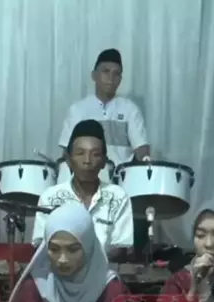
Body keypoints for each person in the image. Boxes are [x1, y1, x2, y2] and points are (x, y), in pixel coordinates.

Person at [6, 201, 127, 302]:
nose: (62, 259)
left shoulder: (109, 288)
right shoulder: (34, 285)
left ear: (88, 247)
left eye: (73, 250)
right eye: (54, 249)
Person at [57, 48, 151, 259]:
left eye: (116, 74)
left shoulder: (130, 109)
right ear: (94, 75)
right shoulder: (78, 110)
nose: (111, 78)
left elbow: (142, 149)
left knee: (141, 204)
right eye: (105, 72)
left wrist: (144, 164)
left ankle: (128, 259)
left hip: (121, 181)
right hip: (85, 174)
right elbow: (66, 153)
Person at [33, 119, 133, 261]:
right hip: (60, 272)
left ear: (104, 161)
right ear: (68, 160)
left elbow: (121, 248)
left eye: (95, 154)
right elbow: (40, 247)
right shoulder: (50, 197)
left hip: (104, 272)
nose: (87, 160)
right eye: (80, 153)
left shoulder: (118, 197)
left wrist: (84, 263)